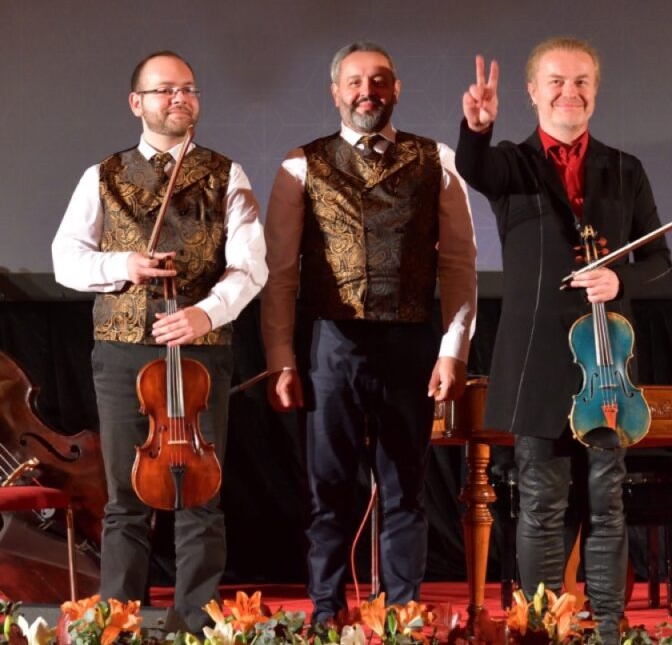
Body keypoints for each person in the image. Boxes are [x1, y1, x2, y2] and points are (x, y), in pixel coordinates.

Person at [457, 37, 672, 642]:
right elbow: (473, 167)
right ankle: (543, 630)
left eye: (581, 81)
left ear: (595, 92)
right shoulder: (510, 164)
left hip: (606, 366)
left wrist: (618, 276)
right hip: (537, 364)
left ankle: (607, 628)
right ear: (532, 92)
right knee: (542, 508)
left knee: (608, 507)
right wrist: (476, 129)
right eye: (555, 81)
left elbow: (659, 259)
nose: (569, 92)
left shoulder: (625, 169)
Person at [260, 41, 477, 620]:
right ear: (335, 92)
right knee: (329, 490)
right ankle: (327, 612)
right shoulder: (300, 165)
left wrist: (452, 350)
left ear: (396, 89)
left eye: (379, 81)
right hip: (333, 345)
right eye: (354, 82)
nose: (367, 92)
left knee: (407, 490)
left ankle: (403, 614)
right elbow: (280, 273)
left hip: (411, 343)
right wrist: (281, 358)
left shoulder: (438, 159)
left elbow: (459, 263)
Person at [51, 51, 267, 631]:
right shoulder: (102, 175)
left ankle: (194, 622)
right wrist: (125, 263)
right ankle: (119, 619)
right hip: (123, 349)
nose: (180, 99)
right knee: (125, 497)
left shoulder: (228, 174)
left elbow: (250, 267)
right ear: (137, 103)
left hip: (200, 349)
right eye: (166, 90)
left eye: (189, 90)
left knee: (200, 493)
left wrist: (204, 313)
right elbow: (65, 259)